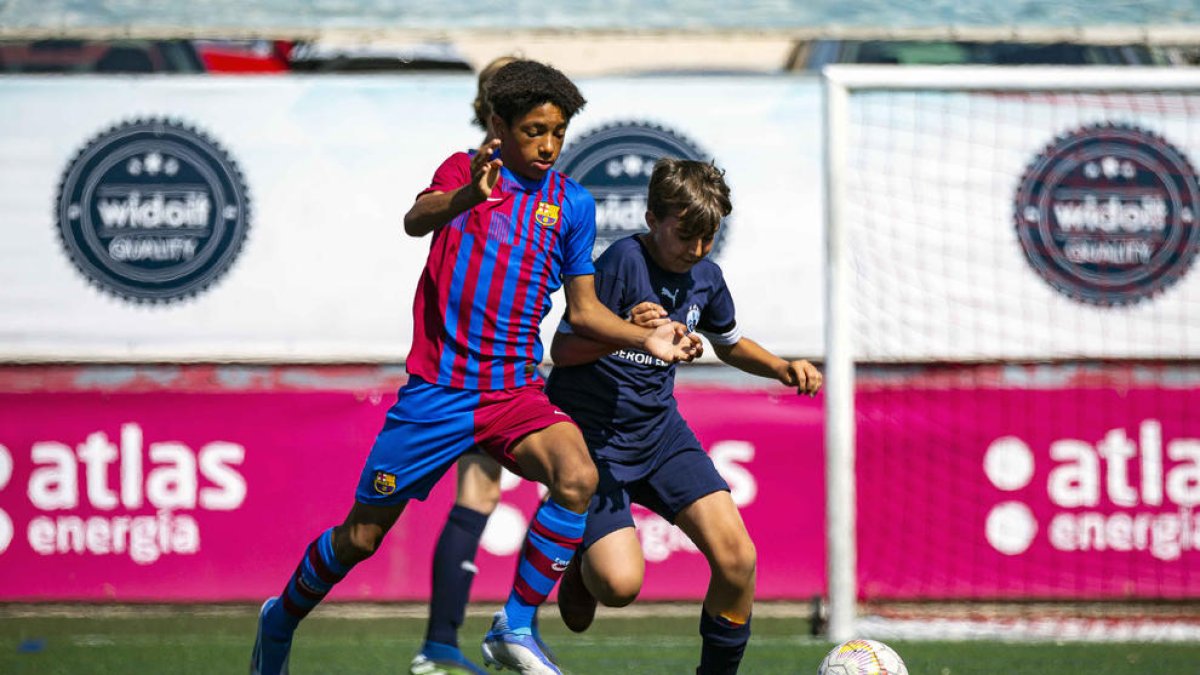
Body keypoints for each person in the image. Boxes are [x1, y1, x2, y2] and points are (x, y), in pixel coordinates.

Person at [249, 59, 702, 675]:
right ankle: (281, 617)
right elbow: (415, 221)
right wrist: (468, 197)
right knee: (361, 537)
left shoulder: (571, 204)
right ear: (498, 123)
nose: (548, 145)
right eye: (534, 130)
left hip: (513, 392)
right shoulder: (464, 170)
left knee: (577, 474)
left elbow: (586, 311)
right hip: (437, 394)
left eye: (558, 132)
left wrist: (644, 340)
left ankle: (513, 625)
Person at [543, 158, 823, 675]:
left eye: (707, 238)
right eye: (685, 235)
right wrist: (623, 330)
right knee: (619, 587)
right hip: (592, 443)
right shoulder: (622, 263)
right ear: (652, 219)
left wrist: (783, 367)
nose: (695, 250)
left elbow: (731, 344)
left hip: (660, 435)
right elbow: (562, 351)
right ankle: (582, 565)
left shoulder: (706, 277)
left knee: (738, 559)